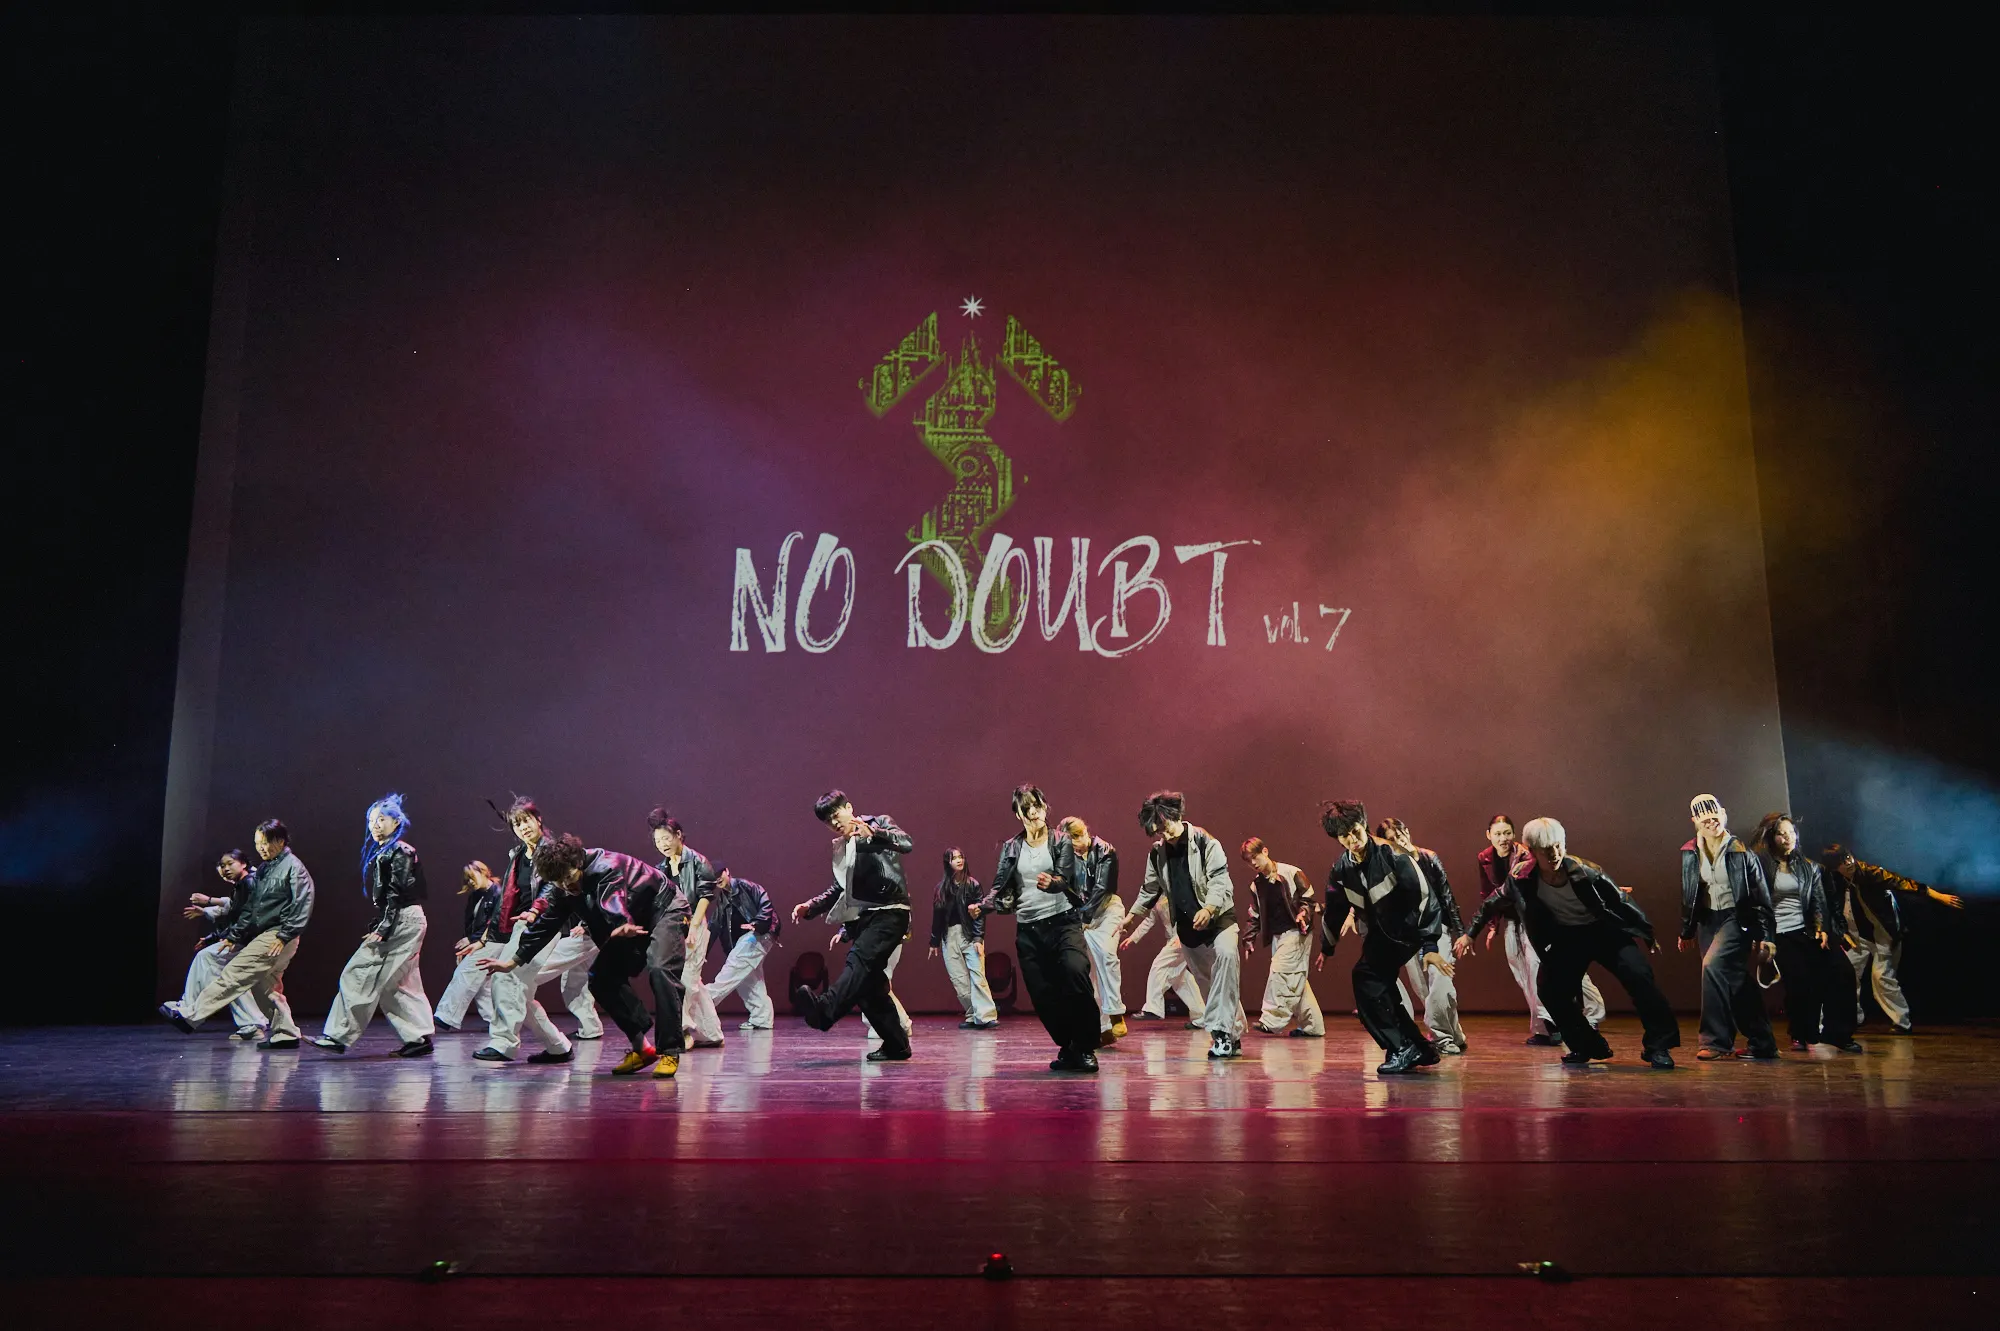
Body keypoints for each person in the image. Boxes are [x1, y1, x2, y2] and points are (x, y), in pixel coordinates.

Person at [482, 834, 680, 1076]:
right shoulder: (562, 889)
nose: (566, 886)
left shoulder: (605, 866)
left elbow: (612, 897)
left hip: (663, 908)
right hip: (627, 923)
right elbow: (545, 926)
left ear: (578, 863)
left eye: (568, 878)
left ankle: (670, 1051)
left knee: (660, 969)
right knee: (600, 979)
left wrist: (620, 921)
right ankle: (643, 1050)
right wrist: (511, 962)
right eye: (558, 882)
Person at [1507, 816, 1679, 1068]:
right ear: (1532, 852)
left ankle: (1659, 1046)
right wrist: (1470, 933)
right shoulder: (1524, 878)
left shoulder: (1586, 871)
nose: (1554, 854)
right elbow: (1496, 899)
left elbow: (1621, 901)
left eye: (1558, 846)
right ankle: (1586, 1044)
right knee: (1551, 990)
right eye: (1546, 849)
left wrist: (1647, 932)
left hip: (1605, 932)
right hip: (1569, 936)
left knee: (1640, 976)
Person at [1117, 791, 1247, 1060]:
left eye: (1164, 827)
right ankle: (1232, 1035)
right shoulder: (1158, 853)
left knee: (1226, 959)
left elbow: (1219, 880)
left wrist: (1209, 908)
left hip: (1220, 918)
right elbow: (1150, 889)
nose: (1163, 835)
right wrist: (1132, 916)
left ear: (1175, 816)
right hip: (1188, 928)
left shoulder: (1205, 842)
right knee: (1209, 983)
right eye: (1157, 831)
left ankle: (1221, 1035)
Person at [164, 819, 312, 1050]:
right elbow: (251, 908)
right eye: (257, 843)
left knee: (234, 973)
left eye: (265, 843)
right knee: (266, 988)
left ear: (280, 841)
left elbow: (302, 904)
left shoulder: (293, 867)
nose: (261, 848)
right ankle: (286, 1033)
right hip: (268, 934)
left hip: (277, 934)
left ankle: (191, 1015)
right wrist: (234, 935)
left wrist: (284, 935)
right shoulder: (265, 869)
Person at [789, 791, 915, 1062]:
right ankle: (897, 1045)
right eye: (827, 821)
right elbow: (840, 888)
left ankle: (824, 1011)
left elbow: (906, 843)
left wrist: (876, 833)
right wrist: (810, 906)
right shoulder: (843, 846)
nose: (834, 823)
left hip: (890, 911)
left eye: (836, 815)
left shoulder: (877, 822)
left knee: (858, 961)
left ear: (849, 807)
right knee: (869, 988)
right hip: (865, 918)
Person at [1316, 800, 1437, 1074]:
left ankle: (1401, 1047)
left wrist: (1429, 942)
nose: (1352, 839)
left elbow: (1424, 896)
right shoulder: (1342, 870)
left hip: (1407, 930)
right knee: (1380, 986)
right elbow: (1334, 910)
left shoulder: (1392, 854)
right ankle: (1418, 1047)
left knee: (1366, 977)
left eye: (1355, 831)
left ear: (1364, 825)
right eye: (1344, 836)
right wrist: (1327, 947)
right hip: (1381, 935)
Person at [479, 798, 602, 1064]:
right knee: (521, 988)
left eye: (526, 821)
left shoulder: (551, 851)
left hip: (547, 924)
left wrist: (536, 910)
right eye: (517, 824)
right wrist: (487, 936)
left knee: (508, 978)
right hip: (523, 925)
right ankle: (558, 1047)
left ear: (538, 820)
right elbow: (508, 899)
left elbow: (552, 887)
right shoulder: (517, 856)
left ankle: (503, 1043)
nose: (523, 828)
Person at [989, 784, 1101, 1072]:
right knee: (1044, 994)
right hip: (1029, 930)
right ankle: (1069, 1046)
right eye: (1027, 809)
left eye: (1037, 806)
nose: (1034, 813)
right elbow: (999, 886)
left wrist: (1052, 883)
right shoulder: (1011, 847)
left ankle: (1085, 1046)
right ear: (1018, 814)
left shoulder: (1060, 840)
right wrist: (985, 904)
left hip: (1063, 922)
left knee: (1076, 972)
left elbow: (1064, 877)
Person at [1465, 813, 1604, 1045]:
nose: (1503, 838)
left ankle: (1584, 1016)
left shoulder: (1524, 855)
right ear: (1489, 835)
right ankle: (1545, 1025)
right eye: (1498, 834)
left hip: (1535, 919)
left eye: (1507, 833)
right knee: (1523, 973)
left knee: (1552, 969)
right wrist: (1492, 926)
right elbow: (1489, 894)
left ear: (1514, 834)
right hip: (1513, 920)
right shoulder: (1486, 858)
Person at [313, 792, 434, 1057]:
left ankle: (338, 1035)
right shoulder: (387, 851)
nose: (375, 825)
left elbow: (396, 893)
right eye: (371, 820)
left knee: (358, 972)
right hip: (404, 919)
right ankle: (418, 1038)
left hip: (403, 919)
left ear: (395, 822)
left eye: (381, 819)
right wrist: (382, 923)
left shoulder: (400, 851)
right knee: (396, 983)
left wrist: (383, 928)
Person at [1821, 843, 1964, 1034]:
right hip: (1859, 935)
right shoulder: (1835, 880)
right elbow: (1831, 906)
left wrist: (1938, 896)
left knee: (1881, 976)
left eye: (1848, 857)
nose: (1848, 863)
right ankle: (1853, 1016)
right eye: (1841, 861)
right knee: (1847, 974)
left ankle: (1902, 1022)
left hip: (1884, 934)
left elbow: (1902, 882)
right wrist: (1841, 932)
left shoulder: (1871, 873)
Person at [1678, 793, 1778, 1061]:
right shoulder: (1690, 852)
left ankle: (1715, 1042)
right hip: (1708, 921)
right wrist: (1687, 930)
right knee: (1735, 981)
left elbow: (1761, 897)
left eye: (1715, 817)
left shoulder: (1741, 852)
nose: (1712, 823)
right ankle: (1763, 1042)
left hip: (1737, 918)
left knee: (1712, 967)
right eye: (1705, 820)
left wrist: (1766, 936)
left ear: (1723, 814)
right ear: (1694, 821)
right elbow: (1689, 894)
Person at [1750, 814, 1861, 1053]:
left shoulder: (1810, 867)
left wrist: (1822, 929)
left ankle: (1839, 1034)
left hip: (1808, 931)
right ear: (1771, 837)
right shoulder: (1759, 866)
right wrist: (1763, 937)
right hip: (1780, 933)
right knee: (1800, 982)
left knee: (1843, 972)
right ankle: (1801, 1033)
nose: (1788, 838)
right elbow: (1756, 905)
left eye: (1792, 833)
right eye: (1781, 834)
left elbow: (1818, 900)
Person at [1376, 818, 1470, 1055]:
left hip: (1437, 931)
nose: (1398, 842)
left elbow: (1447, 896)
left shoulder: (1428, 858)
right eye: (1391, 840)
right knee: (1425, 991)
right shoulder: (1389, 868)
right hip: (1409, 935)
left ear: (1407, 832)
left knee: (1441, 984)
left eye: (1400, 835)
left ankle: (1441, 1038)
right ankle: (1453, 1033)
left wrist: (1462, 932)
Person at [161, 849, 269, 1039]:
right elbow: (234, 912)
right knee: (226, 975)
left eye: (230, 863)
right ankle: (251, 1023)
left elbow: (246, 917)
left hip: (252, 941)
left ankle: (189, 1007)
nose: (225, 868)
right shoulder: (243, 884)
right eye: (222, 865)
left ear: (243, 863)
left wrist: (226, 936)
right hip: (247, 939)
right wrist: (213, 935)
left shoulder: (249, 883)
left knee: (209, 961)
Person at [648, 809, 726, 1049]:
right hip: (675, 928)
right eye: (658, 841)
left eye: (666, 838)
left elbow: (705, 896)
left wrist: (694, 926)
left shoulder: (698, 861)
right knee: (693, 982)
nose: (662, 845)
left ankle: (680, 1030)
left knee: (686, 979)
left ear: (679, 835)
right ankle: (712, 1034)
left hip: (695, 925)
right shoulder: (661, 867)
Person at [1240, 837, 1323, 1037]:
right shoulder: (1256, 885)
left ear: (1265, 851)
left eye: (1255, 857)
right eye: (1249, 861)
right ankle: (1313, 1026)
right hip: (1278, 936)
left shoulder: (1291, 873)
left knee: (1280, 973)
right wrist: (1248, 938)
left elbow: (1308, 899)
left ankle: (1272, 1020)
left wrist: (1303, 914)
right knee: (1295, 979)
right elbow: (1255, 914)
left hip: (1297, 932)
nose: (1253, 863)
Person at [1063, 817, 1128, 1045]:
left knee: (1107, 955)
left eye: (1077, 843)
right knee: (1088, 972)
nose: (1076, 849)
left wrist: (1084, 917)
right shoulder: (1067, 857)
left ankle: (1115, 1012)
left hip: (1107, 910)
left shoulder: (1104, 851)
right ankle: (1102, 1028)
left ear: (1084, 834)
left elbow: (1102, 888)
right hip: (1082, 916)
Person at [701, 868, 782, 1031]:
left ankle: (700, 1003)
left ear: (727, 871)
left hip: (759, 934)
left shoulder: (746, 886)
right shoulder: (723, 899)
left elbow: (765, 903)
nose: (717, 880)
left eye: (719, 875)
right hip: (746, 939)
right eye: (713, 878)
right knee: (748, 978)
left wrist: (757, 923)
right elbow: (714, 926)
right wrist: (703, 952)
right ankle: (762, 1018)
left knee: (733, 969)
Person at [927, 847, 999, 1029]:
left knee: (977, 975)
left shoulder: (973, 885)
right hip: (949, 936)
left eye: (961, 857)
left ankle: (986, 1015)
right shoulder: (941, 889)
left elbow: (979, 914)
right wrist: (934, 941)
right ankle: (972, 1014)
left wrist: (978, 938)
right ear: (947, 863)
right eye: (954, 858)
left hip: (969, 934)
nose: (959, 860)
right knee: (959, 979)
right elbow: (937, 917)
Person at [433, 860, 503, 1033]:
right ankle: (496, 1021)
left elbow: (494, 923)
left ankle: (446, 1015)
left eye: (472, 877)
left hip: (494, 941)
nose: (470, 882)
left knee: (466, 972)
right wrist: (470, 940)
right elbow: (473, 923)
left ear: (484, 872)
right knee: (482, 983)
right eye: (467, 879)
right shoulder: (476, 896)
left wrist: (473, 940)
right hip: (481, 941)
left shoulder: (498, 893)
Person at [1123, 892, 1208, 1024]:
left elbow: (1190, 912)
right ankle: (1201, 1015)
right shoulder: (1156, 894)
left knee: (1159, 965)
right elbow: (1149, 920)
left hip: (1184, 935)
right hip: (1172, 939)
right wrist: (1133, 938)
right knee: (1180, 980)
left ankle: (1153, 1008)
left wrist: (1183, 934)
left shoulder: (1177, 888)